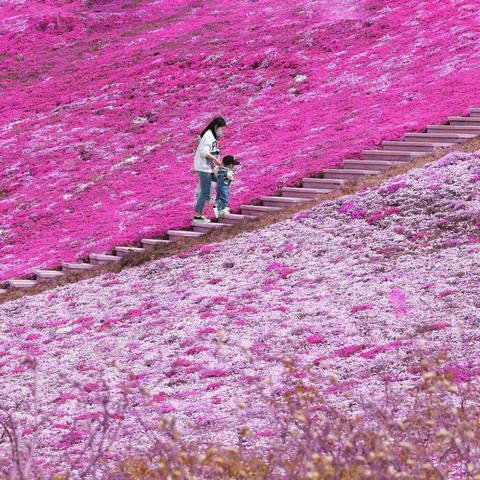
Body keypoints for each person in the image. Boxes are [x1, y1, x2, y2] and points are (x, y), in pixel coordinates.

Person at [193, 117, 227, 222]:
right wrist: (215, 160)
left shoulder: (211, 136)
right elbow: (204, 152)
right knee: (205, 193)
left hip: (207, 168)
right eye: (221, 129)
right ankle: (198, 215)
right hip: (204, 169)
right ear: (216, 127)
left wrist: (214, 161)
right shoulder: (209, 136)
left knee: (222, 181)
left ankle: (218, 206)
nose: (222, 132)